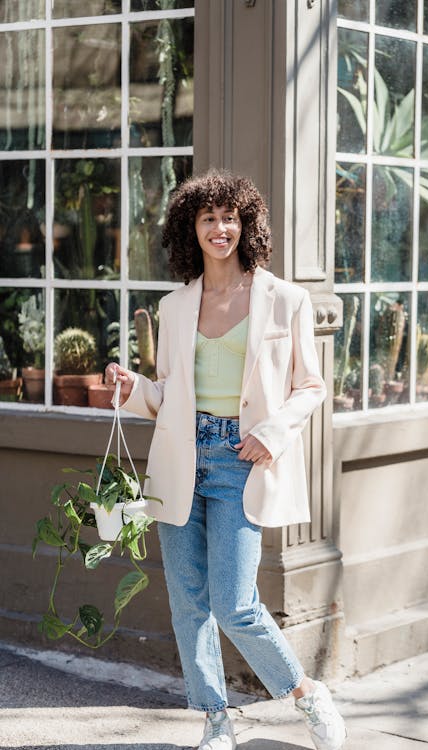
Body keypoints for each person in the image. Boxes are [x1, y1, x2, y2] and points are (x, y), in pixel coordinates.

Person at [105, 170, 346, 750]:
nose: (221, 228)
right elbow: (168, 399)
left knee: (236, 604)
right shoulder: (174, 306)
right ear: (192, 228)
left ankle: (306, 695)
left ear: (246, 225)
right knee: (189, 604)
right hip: (183, 461)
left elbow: (310, 386)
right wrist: (132, 387)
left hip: (242, 458)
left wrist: (272, 431)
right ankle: (215, 719)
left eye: (230, 217)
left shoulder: (284, 299)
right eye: (209, 218)